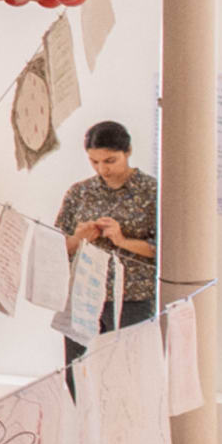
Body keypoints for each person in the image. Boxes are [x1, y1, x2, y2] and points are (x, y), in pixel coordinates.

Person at [55, 119, 159, 362]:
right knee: (78, 371)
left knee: (127, 370)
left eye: (110, 160)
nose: (102, 169)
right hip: (83, 295)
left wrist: (121, 240)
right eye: (94, 162)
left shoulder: (151, 192)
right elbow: (57, 248)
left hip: (132, 297)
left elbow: (163, 250)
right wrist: (78, 238)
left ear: (128, 152)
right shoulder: (79, 192)